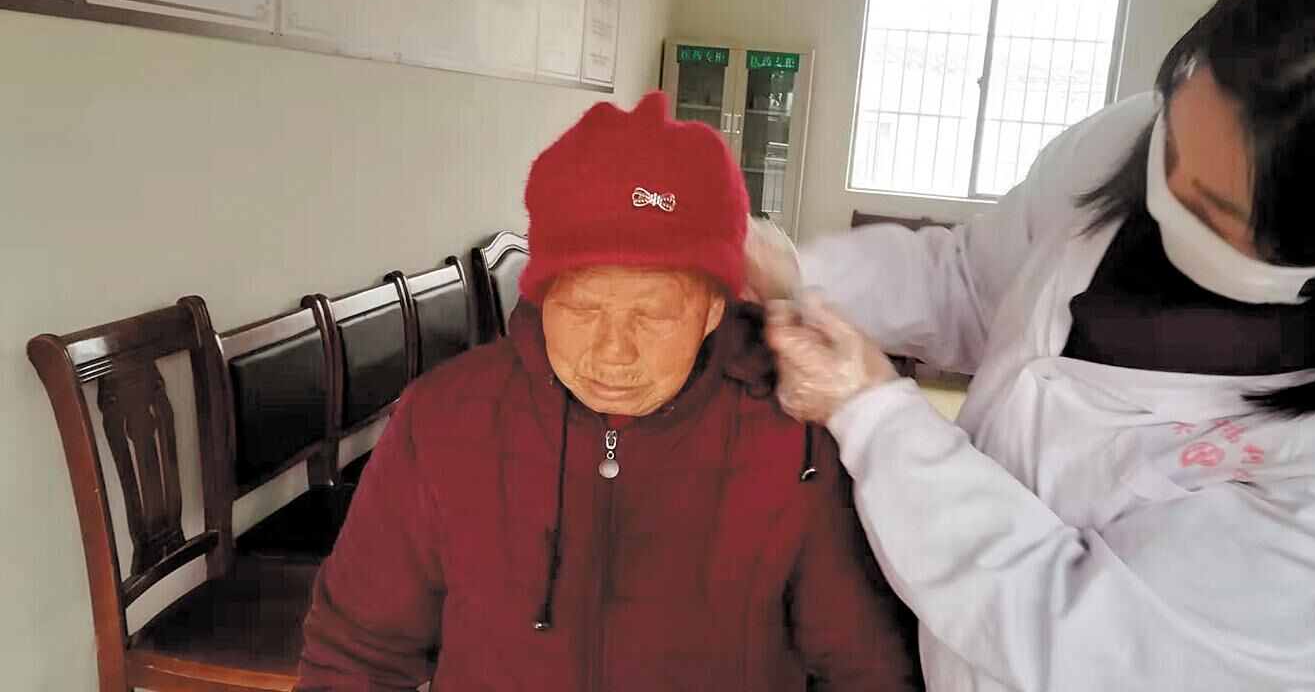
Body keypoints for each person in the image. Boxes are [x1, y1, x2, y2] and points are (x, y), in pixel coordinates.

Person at [750, 0, 1315, 692]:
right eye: (1170, 139)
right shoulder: (1126, 139)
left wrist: (875, 418)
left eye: (1210, 206)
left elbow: (1069, 633)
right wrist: (794, 272)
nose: (1160, 190)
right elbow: (969, 280)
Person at [295, 92, 921, 691]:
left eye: (653, 316)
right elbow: (356, 655)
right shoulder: (443, 419)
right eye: (581, 309)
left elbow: (865, 668)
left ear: (713, 309)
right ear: (541, 294)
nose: (612, 353)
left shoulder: (792, 435)